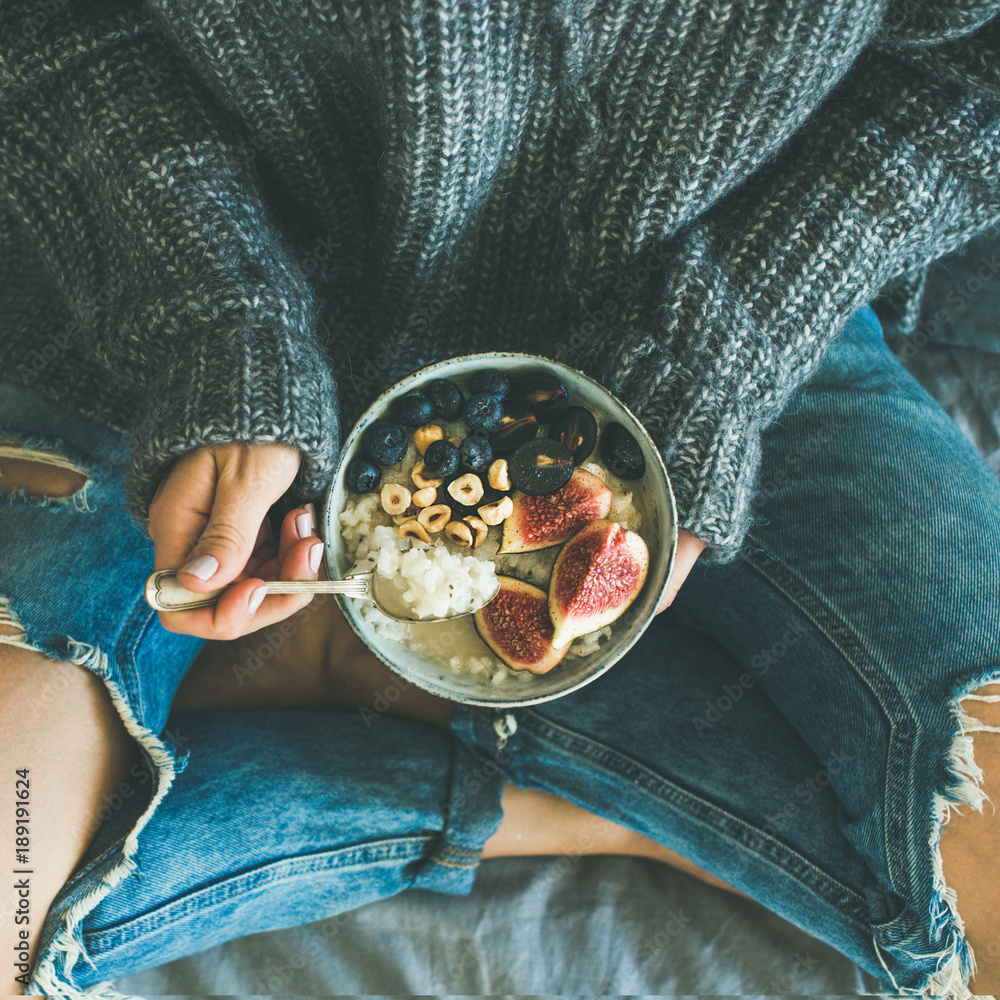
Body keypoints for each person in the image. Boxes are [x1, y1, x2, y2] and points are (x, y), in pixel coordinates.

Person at [1, 0, 998, 995]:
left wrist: (707, 367)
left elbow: (976, 73)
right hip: (156, 314)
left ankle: (490, 753)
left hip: (729, 318)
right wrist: (215, 324)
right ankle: (621, 792)